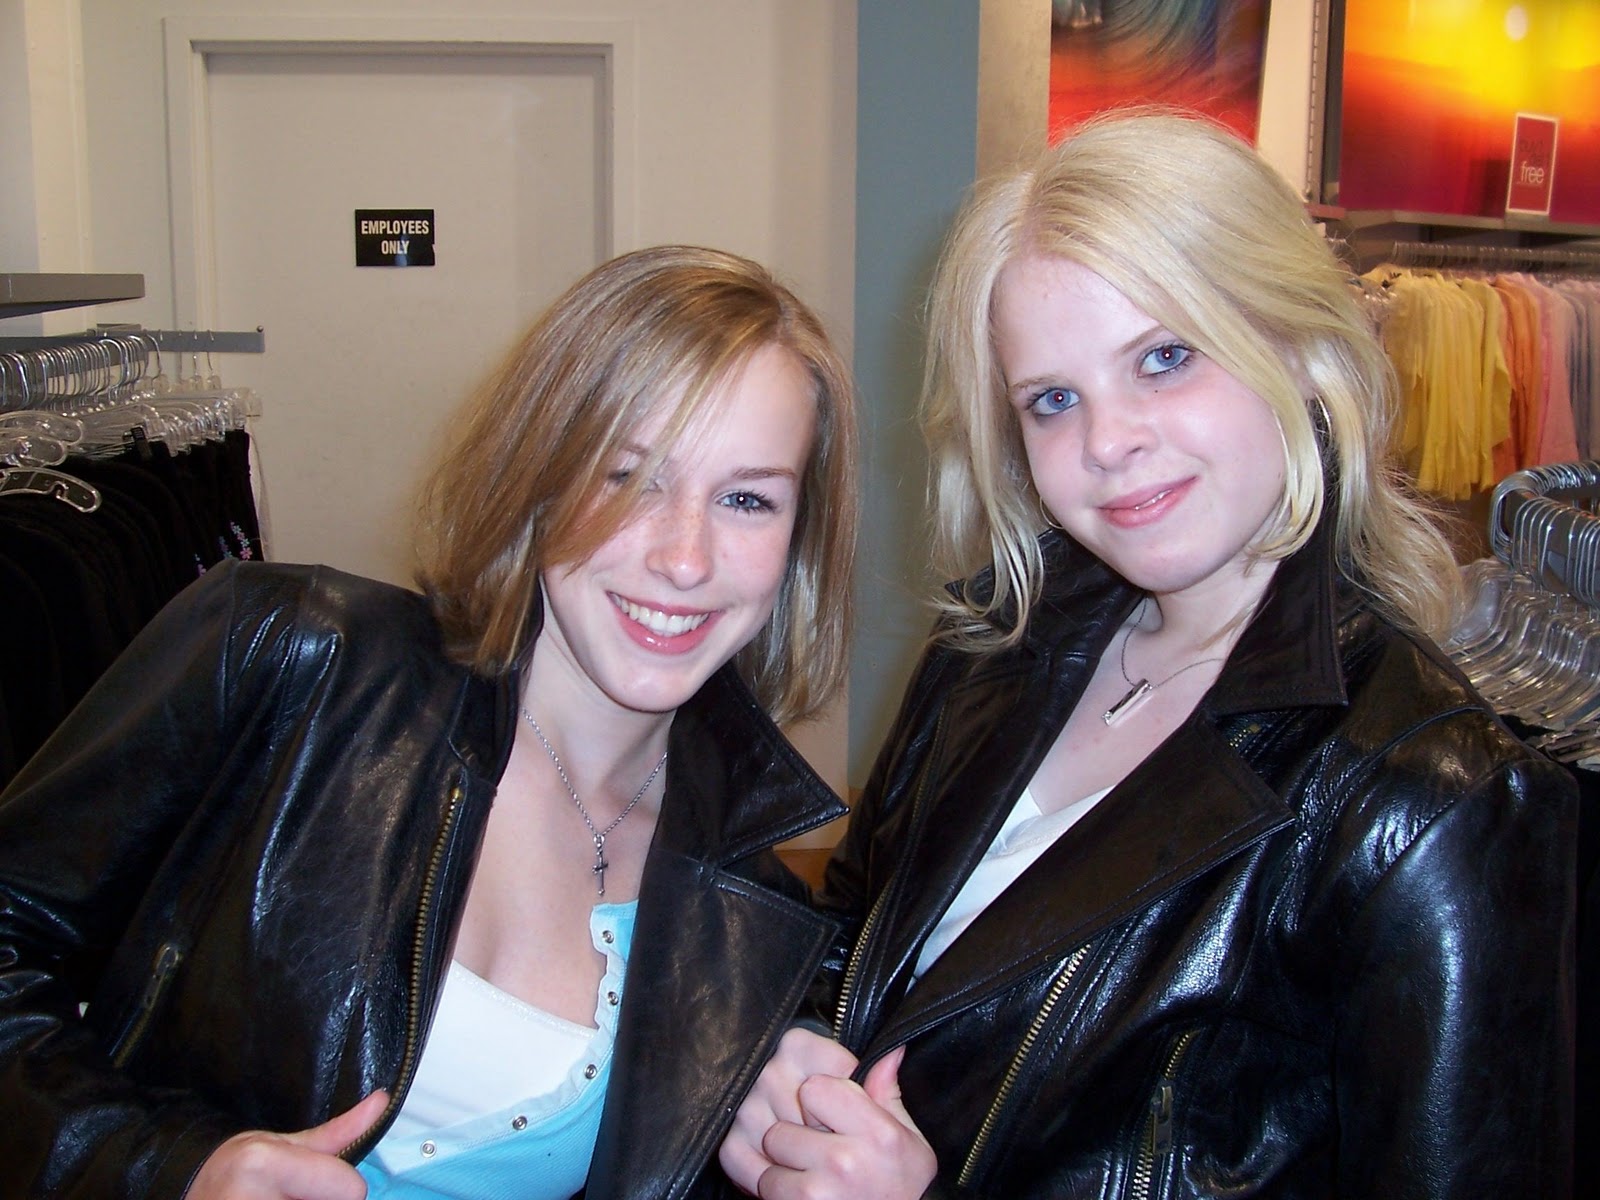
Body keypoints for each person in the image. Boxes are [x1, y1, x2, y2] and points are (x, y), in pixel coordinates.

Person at [719, 111, 1577, 1198]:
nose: (1107, 441)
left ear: (1300, 349)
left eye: (1164, 359)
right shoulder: (994, 645)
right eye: (1052, 400)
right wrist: (790, 1062)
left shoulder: (1431, 798)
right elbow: (855, 931)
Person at [0, 244, 858, 1200]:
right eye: (628, 477)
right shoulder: (292, 657)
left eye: (746, 499)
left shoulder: (748, 909)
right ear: (539, 476)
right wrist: (170, 1169)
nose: (685, 558)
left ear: (798, 541)